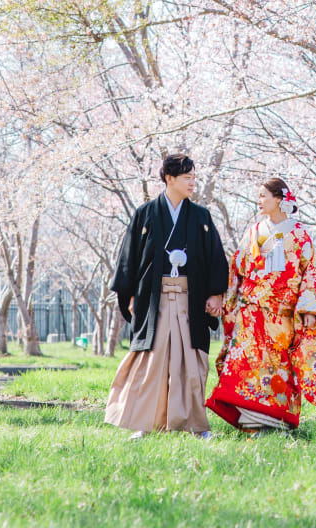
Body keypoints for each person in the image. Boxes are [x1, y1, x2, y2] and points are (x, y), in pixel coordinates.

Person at [207, 177, 316, 432]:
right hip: (251, 311)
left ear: (279, 199)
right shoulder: (254, 231)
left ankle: (275, 420)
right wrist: (227, 300)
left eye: (263, 195)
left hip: (282, 314)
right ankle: (249, 420)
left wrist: (310, 309)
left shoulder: (298, 234)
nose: (259, 200)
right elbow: (237, 268)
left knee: (277, 365)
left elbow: (311, 271)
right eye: (258, 196)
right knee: (247, 362)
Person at [105, 153, 228, 438]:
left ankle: (196, 425)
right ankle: (145, 424)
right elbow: (129, 259)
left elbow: (215, 258)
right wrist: (131, 296)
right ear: (169, 179)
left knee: (191, 360)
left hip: (191, 298)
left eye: (194, 178)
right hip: (153, 300)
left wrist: (216, 295)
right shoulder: (145, 214)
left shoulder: (200, 217)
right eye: (187, 178)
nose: (192, 183)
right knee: (151, 360)